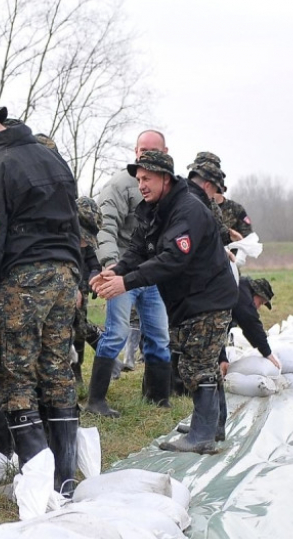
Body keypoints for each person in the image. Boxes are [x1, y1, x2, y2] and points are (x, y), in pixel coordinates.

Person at [0, 99, 81, 494]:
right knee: (58, 371)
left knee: (14, 377)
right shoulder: (52, 159)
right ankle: (65, 480)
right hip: (63, 276)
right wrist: (77, 276)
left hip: (21, 281)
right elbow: (73, 222)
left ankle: (38, 484)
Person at [93, 150, 237, 455]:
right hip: (190, 299)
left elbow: (172, 259)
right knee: (204, 362)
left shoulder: (188, 210)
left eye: (147, 178)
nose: (141, 185)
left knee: (197, 365)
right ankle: (214, 424)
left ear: (165, 178)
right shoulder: (152, 209)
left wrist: (127, 282)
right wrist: (116, 270)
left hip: (207, 296)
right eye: (138, 179)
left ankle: (203, 435)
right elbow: (137, 250)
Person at [86, 130, 173, 417]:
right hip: (123, 271)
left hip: (155, 274)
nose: (144, 155)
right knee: (117, 333)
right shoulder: (120, 186)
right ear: (134, 151)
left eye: (152, 150)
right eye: (141, 149)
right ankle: (96, 400)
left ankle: (157, 397)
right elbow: (105, 226)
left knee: (159, 334)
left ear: (165, 151)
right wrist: (110, 264)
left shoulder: (169, 189)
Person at [177, 277, 279, 441]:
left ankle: (207, 429)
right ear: (256, 293)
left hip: (206, 327)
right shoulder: (242, 294)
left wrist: (222, 357)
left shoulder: (239, 289)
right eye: (260, 302)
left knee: (204, 375)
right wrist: (267, 352)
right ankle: (211, 428)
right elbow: (250, 322)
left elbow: (222, 329)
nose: (258, 307)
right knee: (203, 373)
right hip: (200, 322)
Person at [72, 197, 104, 383]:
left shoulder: (87, 243)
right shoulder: (58, 236)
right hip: (60, 287)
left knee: (80, 328)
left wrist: (94, 274)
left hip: (81, 286)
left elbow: (93, 260)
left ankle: (77, 370)